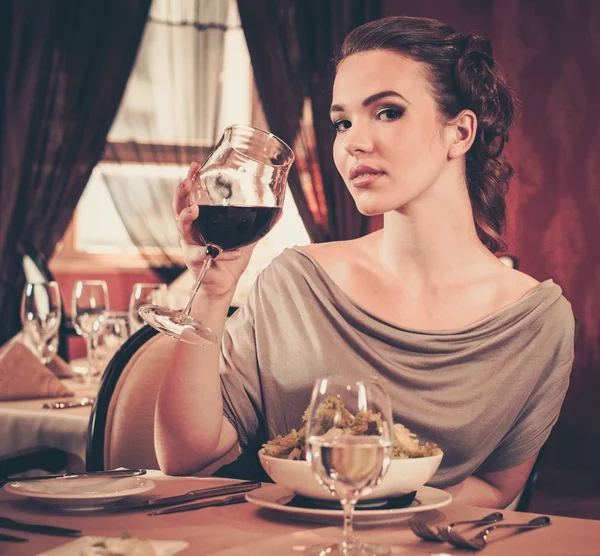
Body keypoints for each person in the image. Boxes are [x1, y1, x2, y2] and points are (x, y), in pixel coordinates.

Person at [155, 15, 574, 509]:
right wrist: (212, 293)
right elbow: (187, 458)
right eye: (343, 122)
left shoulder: (538, 322)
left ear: (459, 133)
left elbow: (497, 494)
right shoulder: (295, 283)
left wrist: (375, 515)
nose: (353, 142)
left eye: (388, 112)